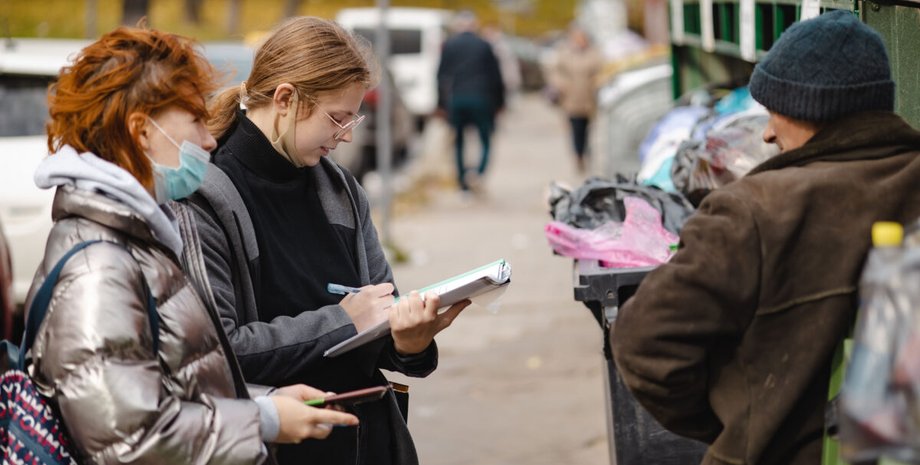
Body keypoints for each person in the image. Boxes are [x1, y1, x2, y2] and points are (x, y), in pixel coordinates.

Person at [28, 25, 358, 465]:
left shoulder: (136, 240)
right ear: (141, 131)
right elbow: (133, 441)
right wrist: (264, 421)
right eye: (195, 120)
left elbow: (174, 389)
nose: (208, 139)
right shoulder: (98, 267)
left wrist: (262, 403)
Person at [611, 10, 920, 465]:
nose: (769, 132)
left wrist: (742, 425)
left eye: (776, 112)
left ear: (811, 109)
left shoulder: (753, 210)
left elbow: (641, 345)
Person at [178, 16, 469, 465]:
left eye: (355, 117)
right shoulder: (206, 196)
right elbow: (219, 351)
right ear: (286, 98)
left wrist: (410, 342)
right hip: (275, 450)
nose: (348, 133)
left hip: (367, 443)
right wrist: (342, 321)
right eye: (338, 118)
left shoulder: (340, 189)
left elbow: (378, 313)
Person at [436, 10, 506, 193]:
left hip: (457, 99)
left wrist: (441, 104)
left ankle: (462, 182)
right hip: (482, 98)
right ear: (474, 25)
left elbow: (441, 76)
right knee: (485, 139)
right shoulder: (484, 45)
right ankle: (478, 173)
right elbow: (496, 77)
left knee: (458, 141)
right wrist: (500, 103)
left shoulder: (449, 45)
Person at [547, 25, 603, 173]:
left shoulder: (593, 53)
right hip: (571, 99)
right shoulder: (565, 54)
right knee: (576, 129)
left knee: (587, 129)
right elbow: (554, 72)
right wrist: (561, 85)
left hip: (588, 99)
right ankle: (578, 155)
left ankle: (586, 152)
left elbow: (601, 71)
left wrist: (596, 84)